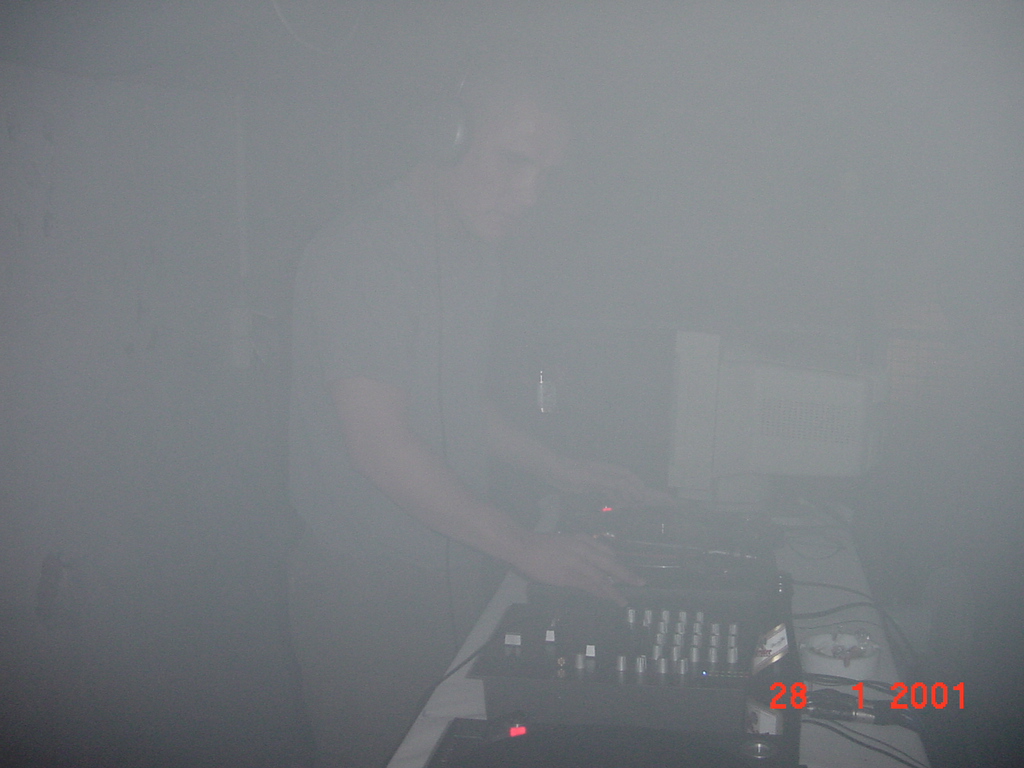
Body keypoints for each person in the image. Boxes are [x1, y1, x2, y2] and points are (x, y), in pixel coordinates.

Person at [287, 55, 668, 768]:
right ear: (447, 136)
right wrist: (525, 546)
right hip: (367, 598)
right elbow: (377, 442)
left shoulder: (471, 254)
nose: (529, 196)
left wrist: (561, 470)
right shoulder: (364, 254)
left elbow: (453, 399)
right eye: (515, 162)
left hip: (454, 565)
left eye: (546, 175)